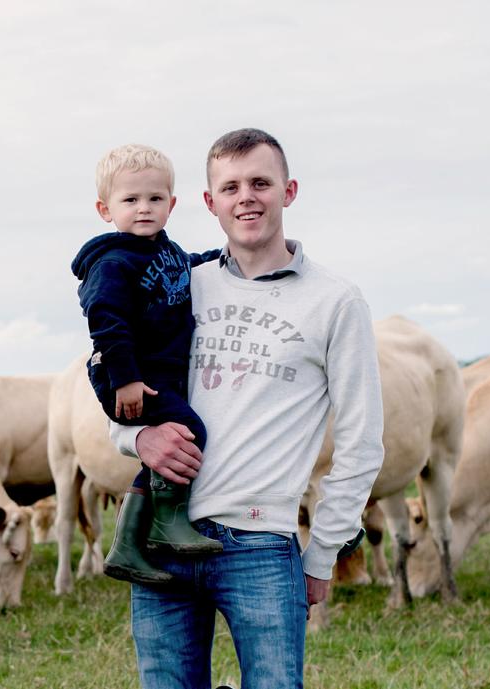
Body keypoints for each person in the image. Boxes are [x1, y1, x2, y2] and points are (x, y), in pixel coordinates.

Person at [109, 129, 385, 689]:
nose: (247, 197)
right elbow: (118, 377)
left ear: (289, 190)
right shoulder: (178, 283)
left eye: (261, 182)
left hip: (260, 544)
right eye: (230, 187)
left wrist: (323, 552)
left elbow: (361, 439)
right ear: (209, 203)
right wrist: (137, 439)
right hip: (163, 536)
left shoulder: (335, 300)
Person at [71, 144, 223, 586]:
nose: (144, 209)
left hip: (150, 371)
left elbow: (183, 270)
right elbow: (107, 321)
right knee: (190, 432)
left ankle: (126, 548)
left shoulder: (163, 250)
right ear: (105, 209)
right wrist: (127, 379)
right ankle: (167, 522)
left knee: (165, 447)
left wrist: (221, 259)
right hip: (130, 373)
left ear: (171, 204)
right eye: (130, 200)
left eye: (155, 199)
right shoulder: (113, 263)